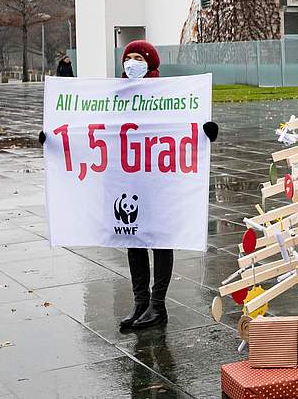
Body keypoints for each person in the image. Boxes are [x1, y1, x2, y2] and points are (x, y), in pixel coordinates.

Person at [41, 40, 219, 329]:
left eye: (139, 57)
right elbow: (91, 129)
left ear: (150, 62)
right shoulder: (114, 96)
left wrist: (206, 132)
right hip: (126, 178)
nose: (132, 62)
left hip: (159, 179)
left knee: (161, 240)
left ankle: (158, 305)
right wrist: (53, 139)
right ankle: (140, 302)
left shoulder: (167, 95)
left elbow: (185, 126)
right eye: (129, 57)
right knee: (132, 237)